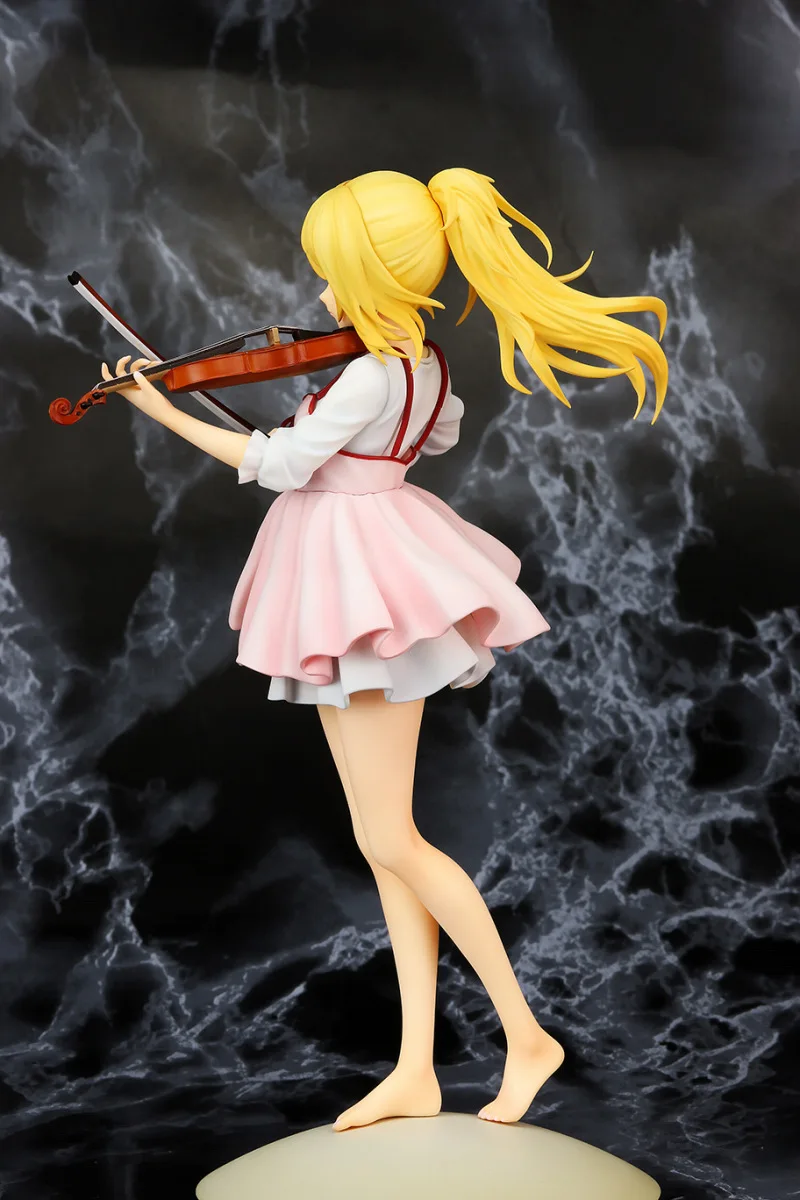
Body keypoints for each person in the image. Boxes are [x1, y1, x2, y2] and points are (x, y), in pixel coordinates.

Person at [103, 168, 668, 1132]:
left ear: (370, 273)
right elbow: (431, 438)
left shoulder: (369, 370)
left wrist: (160, 407)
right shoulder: (421, 364)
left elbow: (277, 465)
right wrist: (345, 425)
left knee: (392, 839)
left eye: (334, 270)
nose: (321, 290)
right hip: (374, 553)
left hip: (354, 578)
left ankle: (527, 1035)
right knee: (381, 838)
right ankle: (415, 1067)